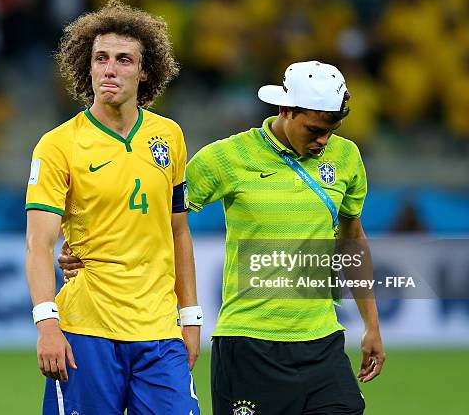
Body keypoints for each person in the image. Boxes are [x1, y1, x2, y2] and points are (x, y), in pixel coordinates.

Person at [60, 60, 385, 415]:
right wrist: (91, 243)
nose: (324, 140)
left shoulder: (346, 157)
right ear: (285, 110)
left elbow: (352, 240)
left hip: (323, 342)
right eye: (314, 129)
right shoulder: (227, 158)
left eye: (332, 129)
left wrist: (372, 324)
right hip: (248, 344)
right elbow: (158, 214)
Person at [25, 0, 201, 415]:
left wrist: (189, 318)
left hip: (158, 329)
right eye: (100, 58)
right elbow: (38, 243)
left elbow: (178, 231)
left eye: (124, 60)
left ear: (145, 71)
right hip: (86, 328)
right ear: (86, 67)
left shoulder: (169, 137)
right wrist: (47, 323)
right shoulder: (58, 145)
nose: (110, 69)